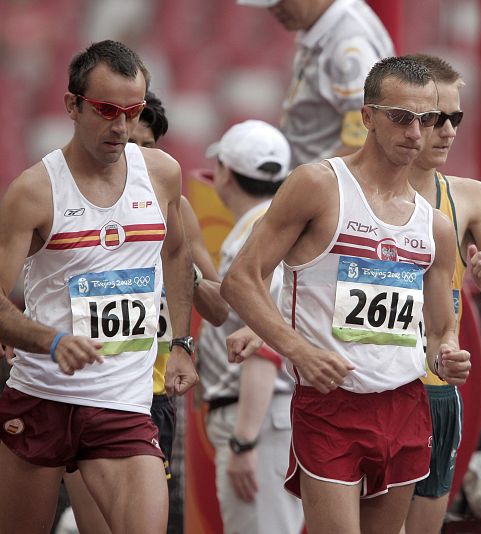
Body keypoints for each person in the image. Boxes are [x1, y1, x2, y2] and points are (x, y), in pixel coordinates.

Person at [220, 56, 471, 534]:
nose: (416, 133)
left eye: (428, 119)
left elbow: (440, 331)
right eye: (400, 117)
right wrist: (296, 350)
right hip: (331, 403)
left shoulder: (434, 226)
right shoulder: (319, 185)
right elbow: (241, 279)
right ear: (368, 117)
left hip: (405, 403)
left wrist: (447, 355)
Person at [0, 40, 197, 534]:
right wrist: (52, 340)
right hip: (41, 396)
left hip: (121, 403)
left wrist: (180, 343)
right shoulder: (33, 191)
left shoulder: (161, 174)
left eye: (133, 111)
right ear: (72, 105)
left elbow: (175, 252)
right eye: (107, 110)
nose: (122, 127)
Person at [62, 89, 227, 534]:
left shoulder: (174, 207)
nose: (135, 158)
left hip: (149, 391)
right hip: (83, 389)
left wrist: (176, 264)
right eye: (128, 145)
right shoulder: (73, 199)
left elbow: (216, 306)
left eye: (147, 147)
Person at [399, 54, 481, 534]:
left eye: (456, 118)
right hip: (371, 386)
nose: (448, 131)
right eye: (436, 118)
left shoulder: (469, 196)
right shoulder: (344, 190)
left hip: (437, 390)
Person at [197, 119, 305, 534]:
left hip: (259, 416)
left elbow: (271, 337)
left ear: (224, 172)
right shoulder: (268, 226)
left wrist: (245, 438)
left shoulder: (262, 233)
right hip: (262, 414)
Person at [237, 0, 395, 168]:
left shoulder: (349, 44)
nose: (274, 9)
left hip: (323, 186)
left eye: (281, 1)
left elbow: (365, 139)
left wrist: (308, 185)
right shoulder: (327, 27)